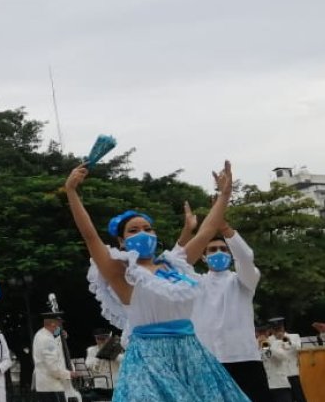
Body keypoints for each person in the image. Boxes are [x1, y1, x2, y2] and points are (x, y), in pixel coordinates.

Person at [65, 160, 250, 401]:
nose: (143, 233)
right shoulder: (122, 273)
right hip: (148, 357)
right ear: (121, 242)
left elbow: (207, 230)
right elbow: (90, 236)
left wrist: (225, 194)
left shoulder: (176, 263)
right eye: (133, 230)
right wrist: (71, 191)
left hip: (190, 353)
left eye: (148, 228)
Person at [173, 208, 269, 402]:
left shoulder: (244, 281)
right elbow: (175, 264)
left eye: (223, 249)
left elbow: (245, 257)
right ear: (203, 256)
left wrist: (225, 228)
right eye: (212, 250)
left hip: (244, 358)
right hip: (206, 361)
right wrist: (188, 232)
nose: (218, 253)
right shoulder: (195, 283)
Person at [32, 311, 73, 402]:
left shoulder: (47, 335)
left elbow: (56, 342)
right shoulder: (45, 338)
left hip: (52, 383)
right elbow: (52, 365)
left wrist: (61, 336)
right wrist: (69, 374)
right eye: (58, 324)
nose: (60, 327)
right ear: (52, 324)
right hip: (48, 384)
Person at [267, 318, 305, 402]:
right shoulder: (268, 340)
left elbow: (298, 349)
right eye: (275, 329)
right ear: (271, 330)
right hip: (280, 377)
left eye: (279, 328)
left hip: (293, 373)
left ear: (283, 327)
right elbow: (267, 355)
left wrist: (286, 339)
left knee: (300, 398)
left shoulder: (294, 336)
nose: (277, 331)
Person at [258, 322, 294, 402]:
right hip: (262, 385)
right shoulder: (252, 346)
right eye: (259, 332)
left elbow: (282, 356)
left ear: (268, 332)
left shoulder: (277, 343)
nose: (261, 335)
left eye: (264, 332)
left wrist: (265, 345)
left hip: (278, 384)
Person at [84, 328, 122, 397]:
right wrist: (99, 356)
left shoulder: (117, 348)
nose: (101, 341)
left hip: (115, 386)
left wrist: (113, 355)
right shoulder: (91, 350)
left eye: (103, 339)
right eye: (98, 339)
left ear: (108, 338)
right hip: (99, 387)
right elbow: (88, 364)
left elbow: (124, 360)